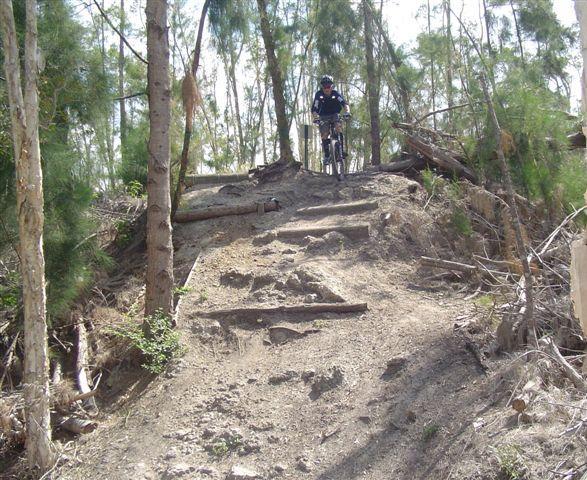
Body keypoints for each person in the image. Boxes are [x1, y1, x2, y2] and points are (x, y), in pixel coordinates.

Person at [311, 75, 351, 165]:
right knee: (324, 135)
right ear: (322, 87)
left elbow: (344, 103)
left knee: (338, 127)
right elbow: (314, 108)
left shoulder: (335, 94)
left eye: (328, 86)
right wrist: (316, 117)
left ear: (331, 86)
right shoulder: (319, 94)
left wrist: (347, 112)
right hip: (323, 116)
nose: (326, 88)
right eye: (324, 86)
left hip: (335, 114)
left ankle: (341, 149)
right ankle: (327, 155)